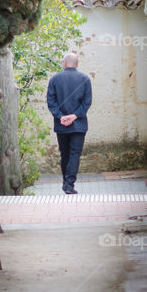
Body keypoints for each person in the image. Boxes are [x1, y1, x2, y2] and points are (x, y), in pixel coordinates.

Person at [46, 52, 92, 194]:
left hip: (61, 125)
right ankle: (69, 184)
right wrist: (75, 116)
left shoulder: (54, 79)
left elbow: (51, 101)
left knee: (64, 154)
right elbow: (87, 102)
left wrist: (61, 117)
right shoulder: (85, 79)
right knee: (74, 154)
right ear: (77, 64)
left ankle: (66, 183)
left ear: (64, 63)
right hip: (78, 125)